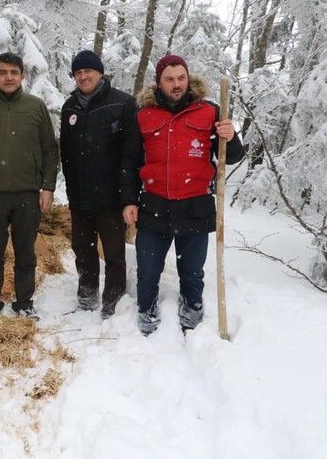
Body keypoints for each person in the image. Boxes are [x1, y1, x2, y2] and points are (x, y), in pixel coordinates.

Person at [119, 54, 244, 335]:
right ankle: (146, 308)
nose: (176, 84)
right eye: (169, 79)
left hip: (195, 205)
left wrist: (230, 136)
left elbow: (233, 157)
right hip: (154, 204)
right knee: (148, 270)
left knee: (192, 271)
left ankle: (191, 307)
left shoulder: (211, 112)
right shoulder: (144, 115)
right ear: (159, 82)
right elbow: (129, 162)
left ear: (188, 78)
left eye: (181, 78)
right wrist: (128, 200)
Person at [0, 52, 59, 321]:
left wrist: (48, 187)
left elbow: (50, 150)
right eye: (3, 72)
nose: (8, 77)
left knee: (25, 251)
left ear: (22, 76)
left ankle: (24, 302)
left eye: (14, 72)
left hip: (27, 194)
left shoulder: (35, 107)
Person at [60, 50, 137, 319]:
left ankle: (113, 301)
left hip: (111, 197)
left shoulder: (123, 103)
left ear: (100, 73)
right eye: (78, 73)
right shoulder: (69, 107)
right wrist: (71, 190)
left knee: (114, 253)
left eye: (88, 71)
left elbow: (132, 151)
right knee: (82, 250)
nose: (83, 76)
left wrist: (127, 194)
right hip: (80, 196)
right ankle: (87, 295)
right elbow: (66, 153)